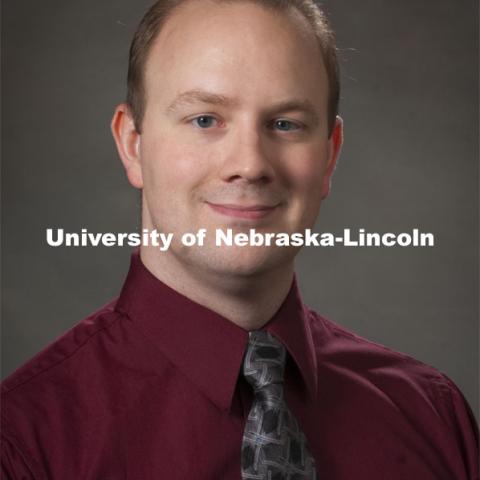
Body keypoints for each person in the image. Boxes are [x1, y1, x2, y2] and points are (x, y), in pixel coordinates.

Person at [1, 0, 478, 478]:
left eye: (285, 124)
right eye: (205, 119)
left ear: (329, 158)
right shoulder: (23, 440)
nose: (250, 164)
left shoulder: (432, 418)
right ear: (133, 144)